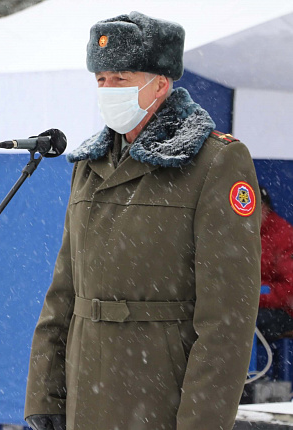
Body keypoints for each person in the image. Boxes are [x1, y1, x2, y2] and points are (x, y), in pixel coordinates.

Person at [24, 12, 261, 430]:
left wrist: (201, 422)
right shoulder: (88, 164)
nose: (108, 90)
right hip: (84, 397)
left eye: (122, 78)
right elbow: (64, 291)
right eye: (101, 80)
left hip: (157, 399)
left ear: (161, 83)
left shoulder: (215, 162)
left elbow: (227, 321)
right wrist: (46, 394)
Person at [256, 185, 293, 341]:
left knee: (239, 323)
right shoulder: (235, 235)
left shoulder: (283, 236)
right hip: (247, 306)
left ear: (265, 208)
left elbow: (289, 289)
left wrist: (255, 292)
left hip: (282, 312)